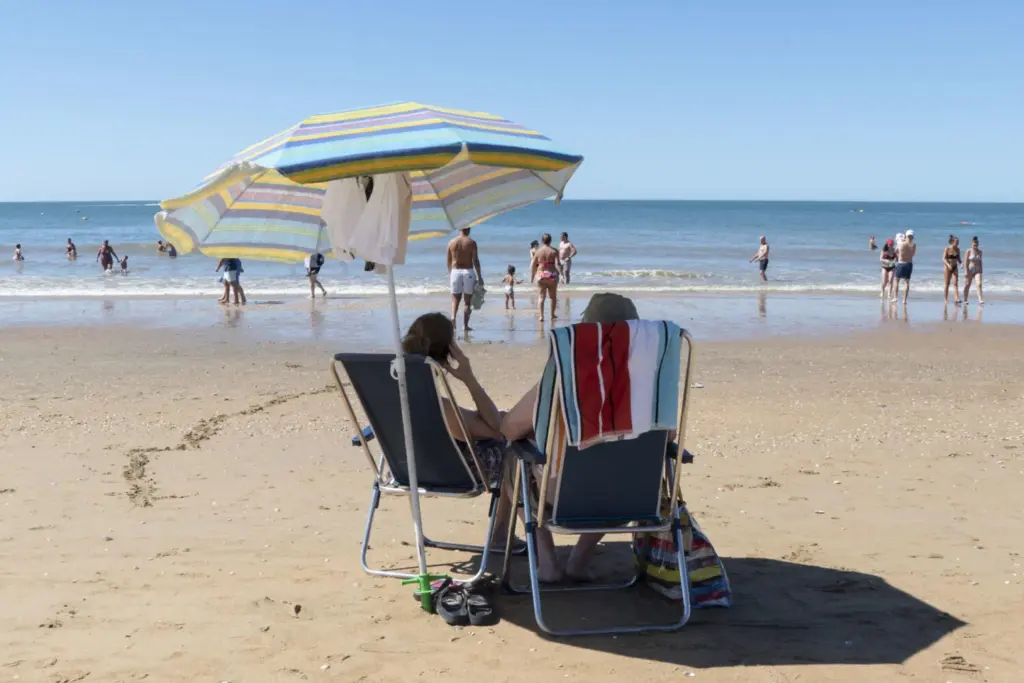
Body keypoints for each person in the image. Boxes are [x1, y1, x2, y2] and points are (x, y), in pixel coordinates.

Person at [501, 293, 643, 582]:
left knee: (512, 460)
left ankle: (548, 562)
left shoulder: (563, 377)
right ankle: (579, 559)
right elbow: (666, 441)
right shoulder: (652, 386)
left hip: (564, 497)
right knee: (619, 466)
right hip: (629, 498)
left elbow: (509, 429)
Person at [401, 312, 512, 546]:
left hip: (403, 469)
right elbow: (496, 427)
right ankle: (501, 536)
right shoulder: (439, 407)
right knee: (515, 453)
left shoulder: (398, 396)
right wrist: (468, 377)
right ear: (448, 352)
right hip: (451, 473)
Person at [446, 227, 482, 331]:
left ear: (459, 229)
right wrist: (479, 276)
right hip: (468, 272)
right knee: (467, 302)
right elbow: (475, 260)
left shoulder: (451, 242)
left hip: (455, 272)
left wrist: (450, 274)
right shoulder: (472, 242)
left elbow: (448, 260)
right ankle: (465, 326)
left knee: (455, 299)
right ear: (469, 230)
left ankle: (453, 317)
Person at [530, 234, 560, 323]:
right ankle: (552, 315)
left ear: (542, 241)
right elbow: (558, 264)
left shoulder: (538, 251)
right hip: (551, 274)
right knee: (553, 297)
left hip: (541, 275)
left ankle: (541, 316)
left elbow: (533, 265)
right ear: (550, 241)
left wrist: (532, 276)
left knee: (541, 297)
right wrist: (559, 274)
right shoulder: (554, 251)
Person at [893, 229, 916, 304]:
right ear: (912, 237)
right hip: (909, 264)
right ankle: (904, 300)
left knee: (896, 280)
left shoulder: (901, 244)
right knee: (906, 282)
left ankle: (895, 297)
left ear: (906, 235)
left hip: (901, 263)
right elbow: (913, 254)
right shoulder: (913, 245)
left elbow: (896, 251)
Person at [963, 236, 984, 305]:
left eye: (976, 244)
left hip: (977, 270)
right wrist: (966, 271)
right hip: (970, 269)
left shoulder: (980, 252)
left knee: (979, 284)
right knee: (967, 284)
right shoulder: (968, 251)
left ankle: (980, 300)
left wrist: (981, 270)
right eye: (974, 244)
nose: (975, 245)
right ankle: (965, 299)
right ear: (972, 244)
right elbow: (966, 262)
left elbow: (980, 261)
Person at [942, 235, 962, 305]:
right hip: (947, 268)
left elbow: (958, 258)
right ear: (952, 242)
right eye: (956, 242)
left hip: (955, 267)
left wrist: (961, 263)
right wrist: (948, 265)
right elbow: (943, 259)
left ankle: (957, 299)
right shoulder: (947, 248)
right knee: (947, 284)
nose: (957, 244)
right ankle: (945, 299)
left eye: (958, 242)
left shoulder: (958, 249)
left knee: (955, 283)